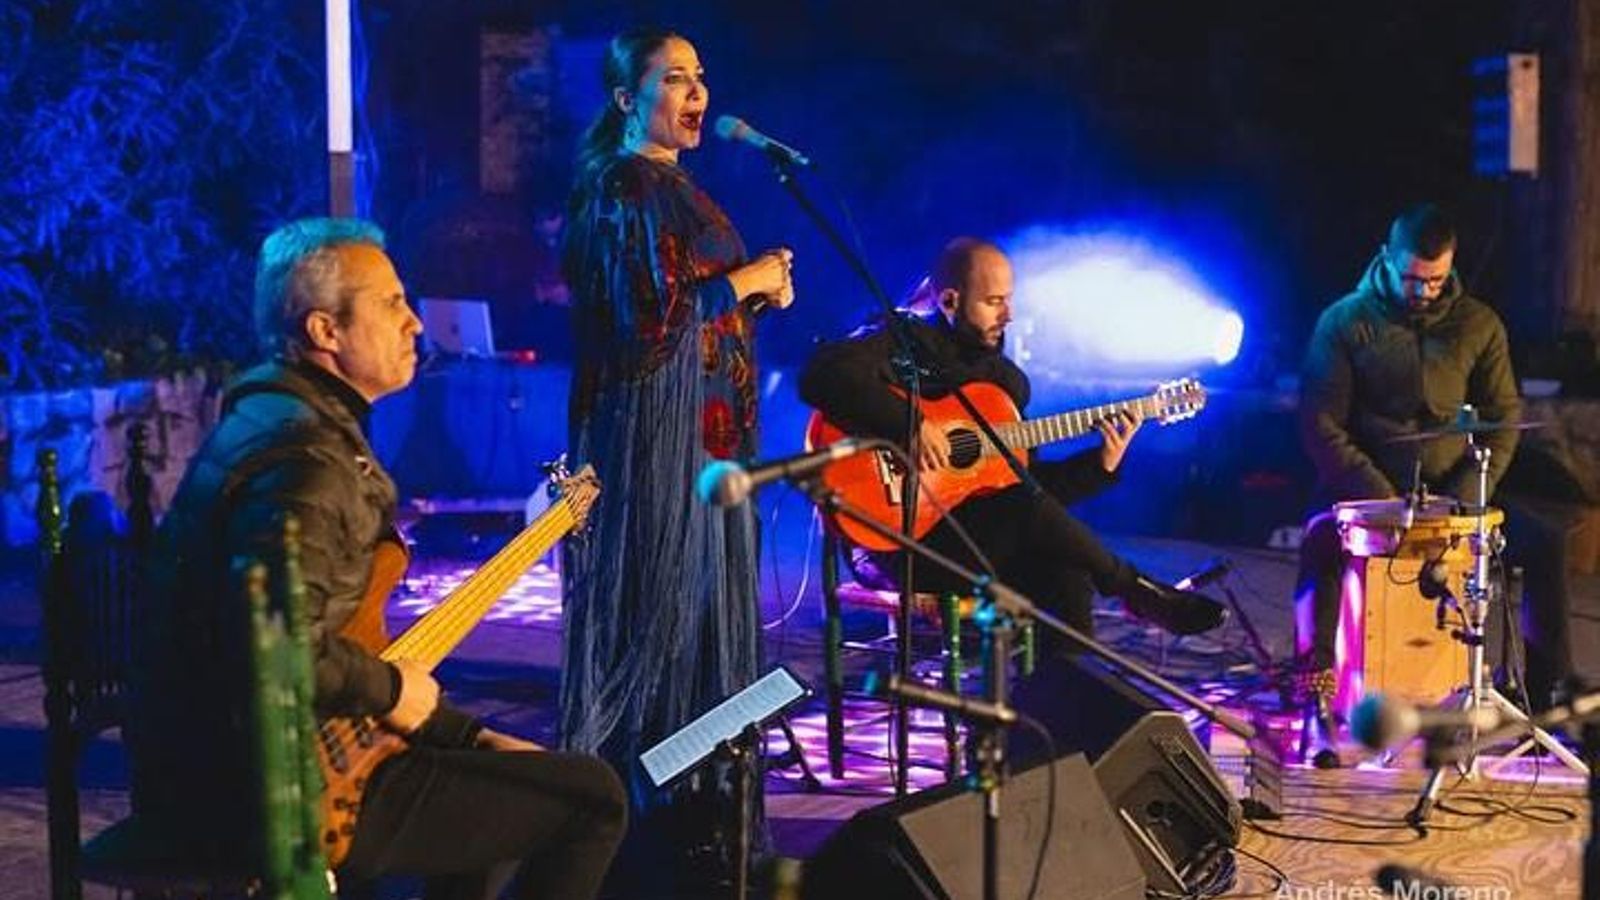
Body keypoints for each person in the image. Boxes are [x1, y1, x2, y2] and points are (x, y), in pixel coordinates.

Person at [131, 218, 626, 898]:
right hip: (269, 794)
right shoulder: (307, 462)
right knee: (594, 798)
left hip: (221, 767)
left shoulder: (271, 421)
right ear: (324, 333)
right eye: (391, 304)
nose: (415, 324)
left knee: (491, 778)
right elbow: (281, 648)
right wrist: (397, 694)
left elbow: (337, 639)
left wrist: (458, 732)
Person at [557, 27, 796, 892]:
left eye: (702, 77)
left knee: (708, 628)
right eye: (676, 79)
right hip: (657, 452)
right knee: (656, 622)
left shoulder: (675, 187)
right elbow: (646, 322)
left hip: (711, 442)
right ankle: (625, 810)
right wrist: (746, 282)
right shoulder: (624, 185)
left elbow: (696, 320)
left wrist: (757, 295)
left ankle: (695, 809)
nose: (698, 93)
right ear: (628, 99)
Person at [798, 237, 1225, 658]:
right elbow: (819, 376)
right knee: (1030, 518)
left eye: (1009, 299)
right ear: (949, 301)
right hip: (895, 544)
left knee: (1066, 572)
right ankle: (1133, 588)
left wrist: (1100, 464)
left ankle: (1056, 714)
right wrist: (911, 423)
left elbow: (1033, 494)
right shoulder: (898, 339)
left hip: (973, 538)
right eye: (994, 301)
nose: (1009, 314)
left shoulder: (1004, 383)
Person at [1297, 202, 1580, 765]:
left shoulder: (1479, 324)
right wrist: (1379, 497)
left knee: (1546, 541)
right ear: (1387, 258)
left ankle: (1546, 704)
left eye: (1435, 279)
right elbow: (1319, 420)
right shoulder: (1344, 321)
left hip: (1456, 496)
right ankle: (1318, 703)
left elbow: (1504, 415)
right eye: (1411, 278)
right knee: (1317, 545)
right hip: (1366, 492)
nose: (1423, 290)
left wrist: (1466, 500)